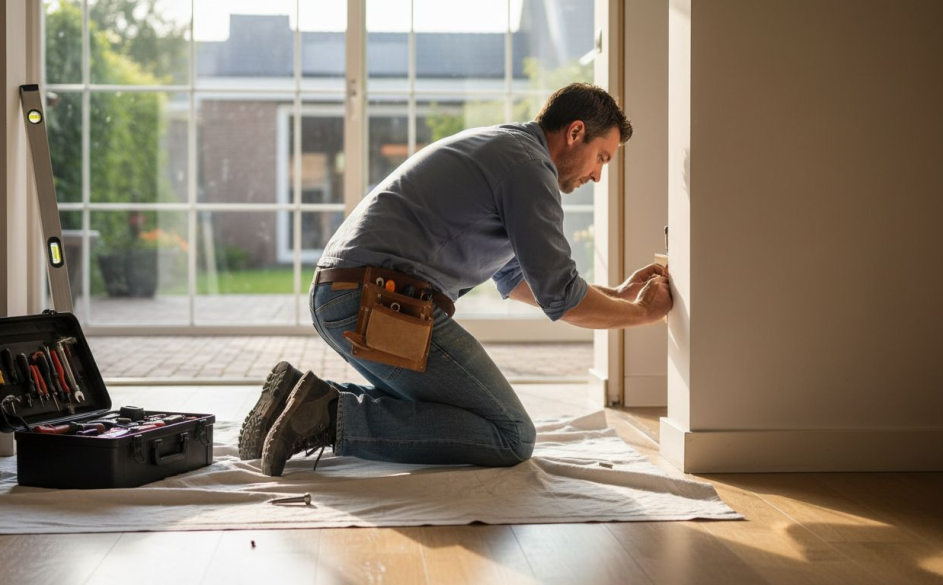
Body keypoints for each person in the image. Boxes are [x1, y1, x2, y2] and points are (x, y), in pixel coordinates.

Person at [238, 82, 673, 476]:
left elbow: (519, 280)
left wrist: (617, 295)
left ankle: (296, 400)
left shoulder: (508, 150)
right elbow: (562, 297)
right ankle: (329, 417)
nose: (597, 175)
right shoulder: (529, 167)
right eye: (602, 158)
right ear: (575, 132)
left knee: (460, 413)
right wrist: (642, 313)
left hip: (346, 294)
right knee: (512, 434)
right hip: (374, 301)